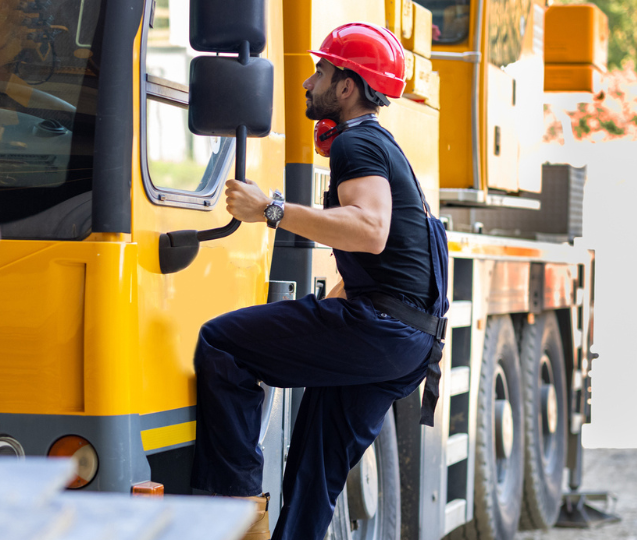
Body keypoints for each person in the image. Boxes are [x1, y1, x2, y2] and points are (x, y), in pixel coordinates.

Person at [188, 23, 451, 540]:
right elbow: (391, 256)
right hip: (410, 340)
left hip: (380, 331)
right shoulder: (381, 145)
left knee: (222, 344)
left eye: (321, 72)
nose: (308, 83)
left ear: (347, 86)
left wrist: (271, 209)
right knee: (314, 474)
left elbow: (372, 231)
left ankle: (236, 522)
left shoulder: (357, 143)